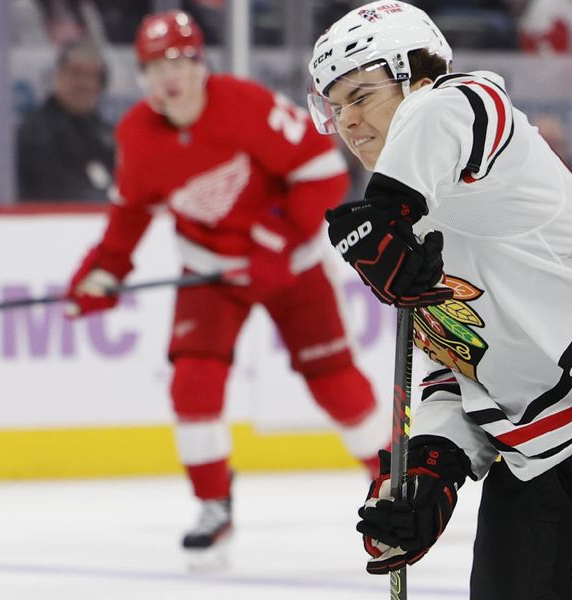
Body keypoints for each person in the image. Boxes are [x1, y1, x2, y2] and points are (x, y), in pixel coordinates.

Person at [308, 2, 572, 599]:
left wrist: (385, 208)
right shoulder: (407, 232)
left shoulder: (483, 136)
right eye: (335, 107)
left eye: (361, 95)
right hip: (534, 457)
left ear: (417, 76)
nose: (348, 122)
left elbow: (455, 107)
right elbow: (453, 366)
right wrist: (434, 469)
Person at [65, 9, 388, 560]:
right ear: (141, 75)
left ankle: (392, 483)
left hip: (290, 261)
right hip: (210, 270)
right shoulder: (137, 135)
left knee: (333, 379)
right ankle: (214, 505)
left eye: (183, 60)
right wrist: (101, 274)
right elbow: (131, 214)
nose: (172, 75)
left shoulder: (245, 104)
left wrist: (273, 241)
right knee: (193, 381)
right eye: (157, 65)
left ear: (201, 63)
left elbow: (321, 171)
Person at [16, 41, 115, 202]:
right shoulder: (34, 133)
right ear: (58, 76)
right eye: (75, 73)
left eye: (90, 76)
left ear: (101, 84)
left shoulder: (107, 135)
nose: (83, 83)